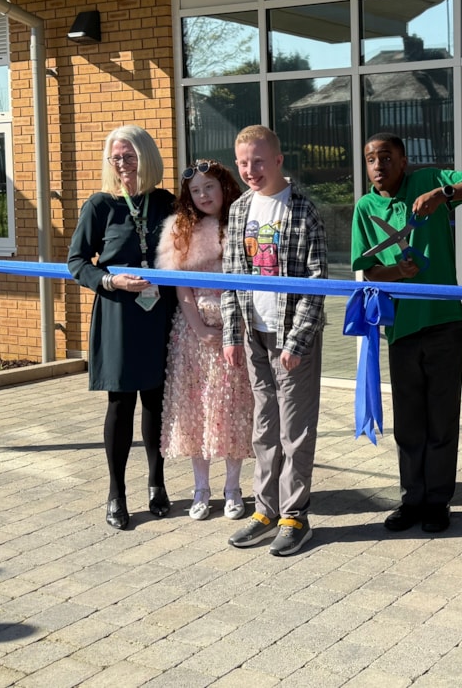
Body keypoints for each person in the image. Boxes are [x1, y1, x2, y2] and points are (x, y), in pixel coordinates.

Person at [352, 133, 462, 534]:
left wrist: (444, 192)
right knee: (410, 423)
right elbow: (367, 269)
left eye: (386, 157)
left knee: (442, 419)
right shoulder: (366, 207)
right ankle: (411, 498)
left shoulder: (430, 181)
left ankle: (438, 502)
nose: (378, 165)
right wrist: (397, 272)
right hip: (400, 330)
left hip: (443, 323)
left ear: (403, 161)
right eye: (370, 159)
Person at [221, 126, 327, 557]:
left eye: (259, 161)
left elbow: (317, 282)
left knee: (294, 431)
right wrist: (231, 334)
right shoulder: (239, 209)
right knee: (264, 427)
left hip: (291, 339)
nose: (250, 170)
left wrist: (298, 342)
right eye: (243, 162)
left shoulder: (303, 210)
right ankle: (264, 509)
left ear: (279, 160)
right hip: (255, 335)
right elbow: (229, 278)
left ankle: (294, 516)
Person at [68, 125, 177, 530]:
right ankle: (116, 492)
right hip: (117, 314)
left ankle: (156, 482)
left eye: (129, 157)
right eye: (116, 158)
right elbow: (77, 262)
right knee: (120, 403)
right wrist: (110, 280)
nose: (122, 165)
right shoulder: (100, 205)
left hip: (157, 313)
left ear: (145, 158)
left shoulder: (165, 202)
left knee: (155, 400)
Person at [156, 160, 254, 522]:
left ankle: (233, 489)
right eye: (195, 191)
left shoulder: (241, 223)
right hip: (193, 334)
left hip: (234, 329)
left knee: (231, 412)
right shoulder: (180, 229)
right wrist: (198, 327)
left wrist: (232, 329)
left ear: (223, 186)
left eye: (209, 187)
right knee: (197, 411)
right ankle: (200, 489)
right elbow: (182, 287)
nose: (202, 196)